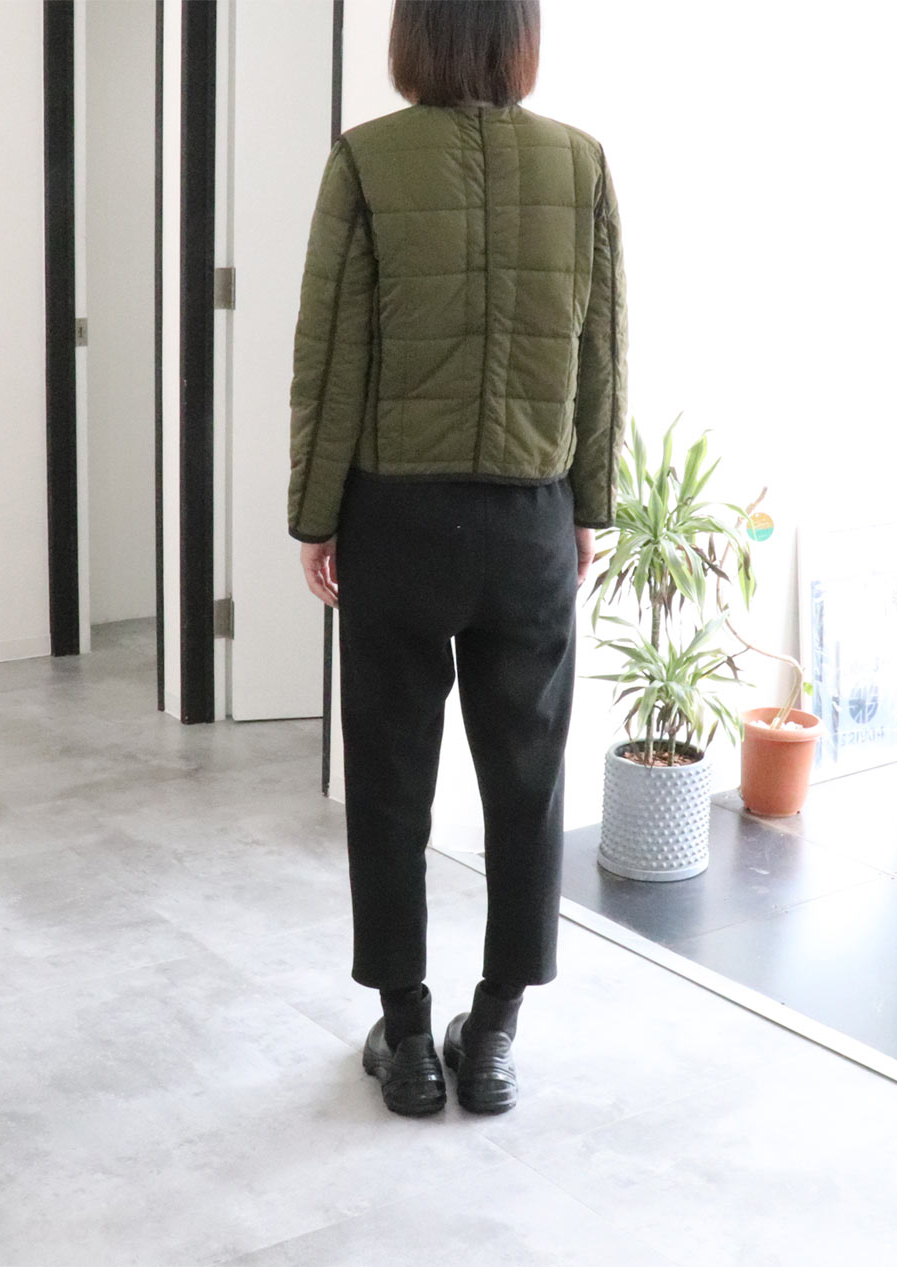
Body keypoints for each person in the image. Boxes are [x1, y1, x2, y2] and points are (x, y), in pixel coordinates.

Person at [287, 0, 627, 1116]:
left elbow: (331, 356)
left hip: (397, 519)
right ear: (518, 35)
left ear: (413, 35)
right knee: (526, 781)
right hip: (530, 522)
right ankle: (492, 1038)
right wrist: (587, 505)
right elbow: (601, 355)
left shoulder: (366, 160)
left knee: (390, 777)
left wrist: (315, 516)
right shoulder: (579, 164)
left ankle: (407, 1039)